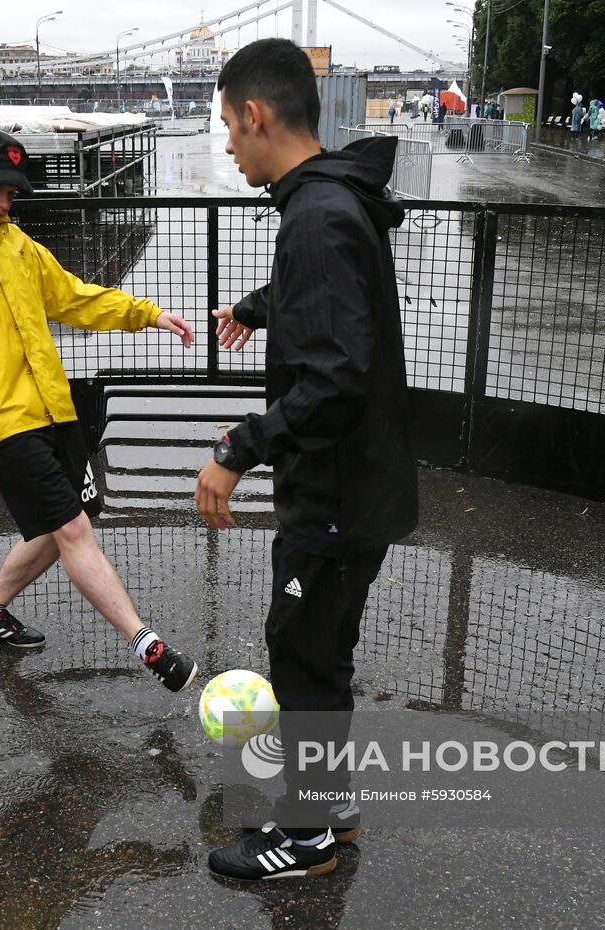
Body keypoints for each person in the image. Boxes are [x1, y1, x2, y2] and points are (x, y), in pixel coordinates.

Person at [195, 38, 418, 881]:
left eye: (226, 126)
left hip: (333, 493)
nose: (226, 144)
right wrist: (262, 305)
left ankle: (310, 833)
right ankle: (330, 805)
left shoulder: (317, 216)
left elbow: (333, 379)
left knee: (302, 651)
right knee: (319, 646)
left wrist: (236, 448)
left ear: (257, 115)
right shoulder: (331, 197)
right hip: (357, 487)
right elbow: (335, 301)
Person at [0, 128, 200, 693]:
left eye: (12, 193)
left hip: (54, 406)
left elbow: (74, 297)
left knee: (70, 517)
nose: (5, 202)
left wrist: (148, 313)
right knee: (71, 526)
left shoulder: (17, 243)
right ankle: (149, 645)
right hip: (0, 421)